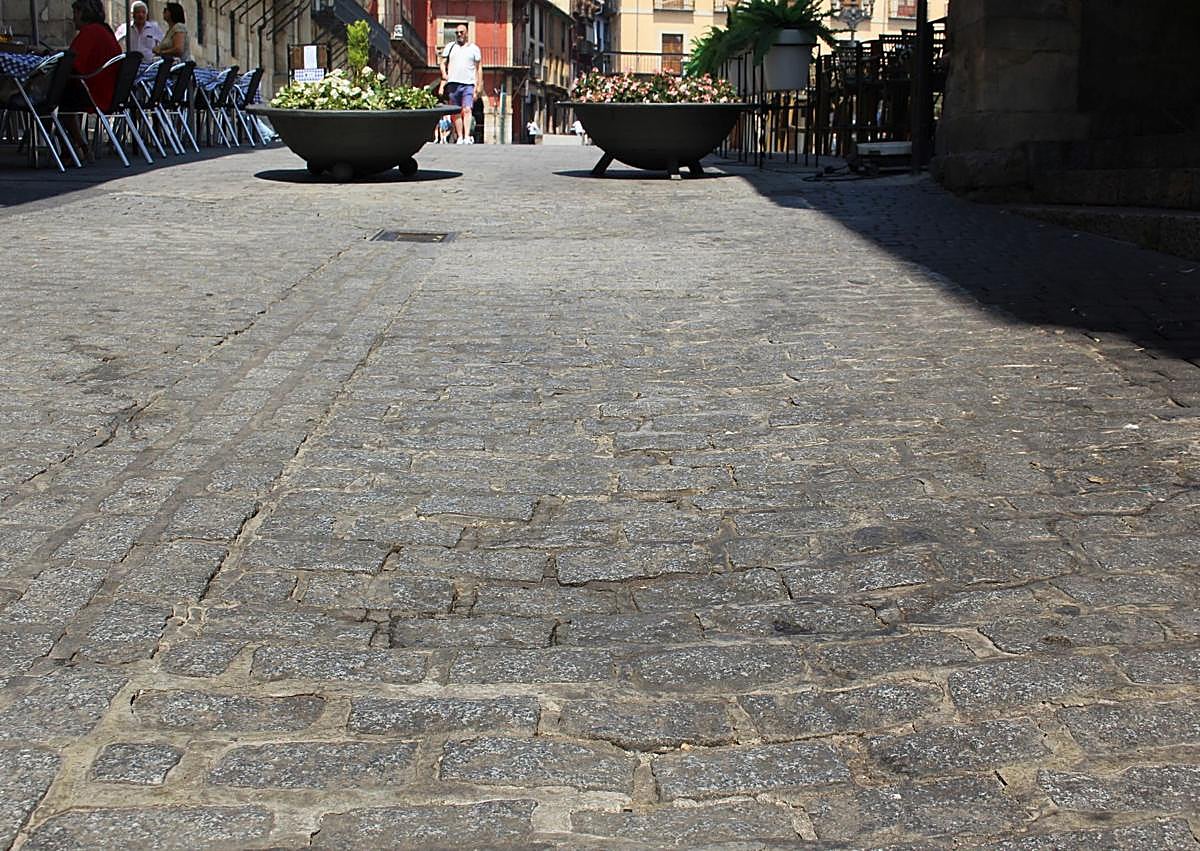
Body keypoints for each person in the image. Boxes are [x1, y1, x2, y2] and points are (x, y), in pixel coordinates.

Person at [59, 0, 121, 159]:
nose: (73, 18)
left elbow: (72, 63)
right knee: (63, 93)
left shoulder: (90, 32)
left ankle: (77, 148)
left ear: (82, 13)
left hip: (95, 92)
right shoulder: (105, 31)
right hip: (109, 90)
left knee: (53, 98)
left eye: (75, 13)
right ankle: (76, 148)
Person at [439, 23, 482, 145]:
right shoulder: (450, 47)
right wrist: (444, 74)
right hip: (453, 83)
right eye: (457, 33)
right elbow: (442, 62)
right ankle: (460, 136)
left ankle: (467, 136)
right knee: (456, 110)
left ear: (467, 33)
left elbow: (478, 68)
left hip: (469, 83)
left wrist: (479, 85)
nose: (459, 35)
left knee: (467, 109)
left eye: (461, 32)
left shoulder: (474, 49)